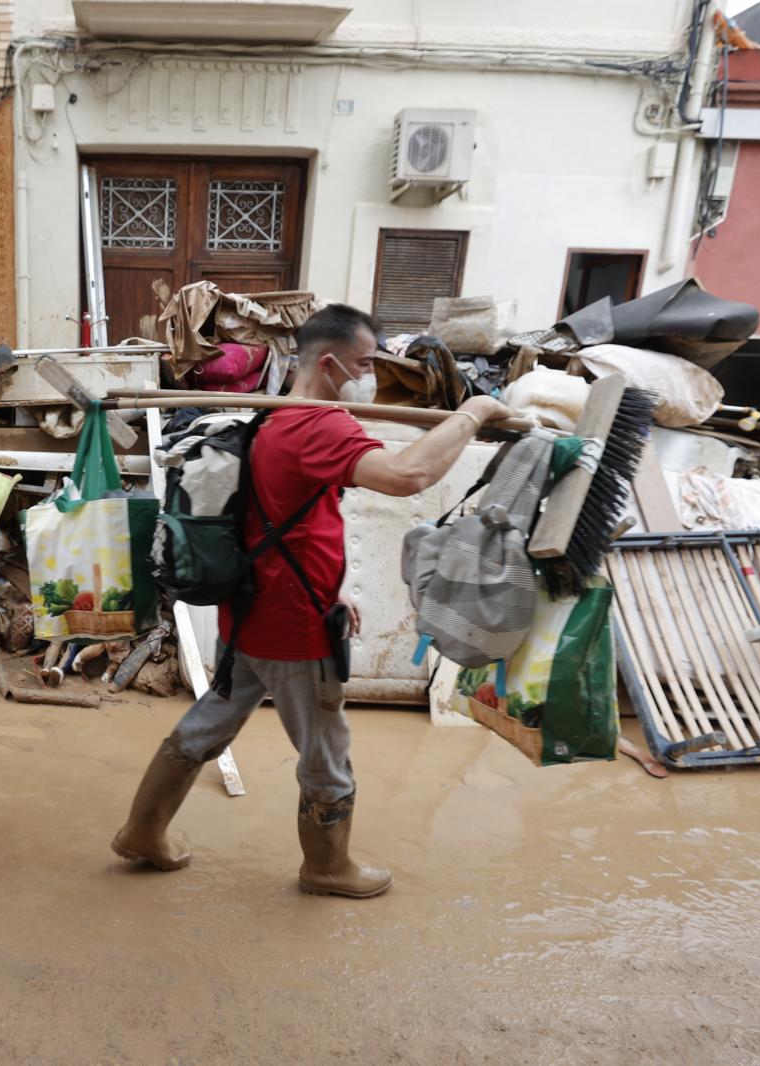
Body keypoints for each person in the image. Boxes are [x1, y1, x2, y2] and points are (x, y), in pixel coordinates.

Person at [110, 304, 513, 898]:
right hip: (294, 629)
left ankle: (143, 830)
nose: (371, 374)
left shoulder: (276, 419)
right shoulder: (320, 425)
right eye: (364, 363)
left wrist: (335, 587)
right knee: (327, 750)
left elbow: (284, 517)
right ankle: (326, 865)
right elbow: (407, 476)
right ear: (330, 363)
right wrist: (474, 412)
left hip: (249, 614)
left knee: (211, 720)